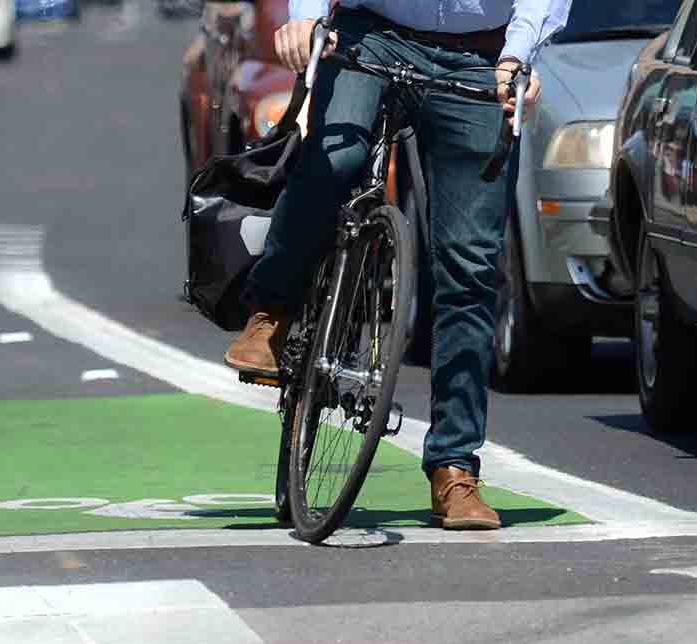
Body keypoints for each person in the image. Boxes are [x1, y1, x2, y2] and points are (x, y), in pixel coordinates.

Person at [221, 0, 573, 531]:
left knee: (470, 265)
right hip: (370, 34)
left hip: (480, 55)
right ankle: (272, 313)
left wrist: (518, 57)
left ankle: (454, 469)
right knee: (336, 160)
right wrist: (308, 19)